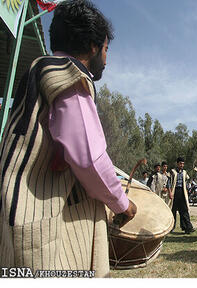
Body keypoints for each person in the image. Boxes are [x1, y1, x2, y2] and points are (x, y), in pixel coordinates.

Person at [0, 0, 136, 277]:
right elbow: (89, 158)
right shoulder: (69, 76)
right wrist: (123, 203)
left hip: (14, 213)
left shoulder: (38, 71)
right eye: (106, 49)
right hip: (45, 224)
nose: (107, 60)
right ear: (93, 46)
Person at [170, 157, 195, 234]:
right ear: (177, 163)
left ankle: (187, 227)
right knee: (173, 210)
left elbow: (186, 182)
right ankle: (171, 227)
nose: (182, 165)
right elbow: (168, 182)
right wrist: (170, 192)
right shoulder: (172, 172)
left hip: (182, 192)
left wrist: (187, 190)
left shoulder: (184, 172)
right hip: (174, 192)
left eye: (183, 163)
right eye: (180, 163)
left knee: (184, 210)